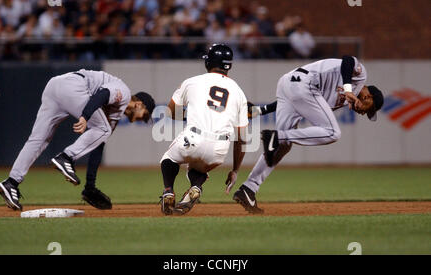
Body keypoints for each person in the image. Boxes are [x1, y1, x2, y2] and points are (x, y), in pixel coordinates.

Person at [234, 56, 384, 214]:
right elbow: (348, 61)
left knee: (283, 146)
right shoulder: (360, 77)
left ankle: (248, 188)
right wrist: (348, 90)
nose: (364, 113)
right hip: (306, 84)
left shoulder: (340, 100)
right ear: (368, 97)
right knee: (333, 132)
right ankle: (278, 136)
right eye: (369, 109)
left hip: (288, 85)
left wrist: (260, 110)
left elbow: (296, 97)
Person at [0, 69, 155, 211]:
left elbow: (97, 146)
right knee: (103, 129)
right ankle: (66, 157)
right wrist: (85, 116)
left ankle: (11, 183)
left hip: (54, 87)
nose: (141, 120)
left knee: (38, 140)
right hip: (73, 86)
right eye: (145, 115)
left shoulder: (114, 115)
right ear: (139, 104)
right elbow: (103, 95)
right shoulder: (124, 92)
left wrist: (90, 186)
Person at [160, 44, 249, 215]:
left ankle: (168, 191)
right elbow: (242, 138)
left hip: (193, 138)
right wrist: (235, 170)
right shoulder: (239, 92)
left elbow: (170, 111)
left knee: (168, 159)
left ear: (209, 61)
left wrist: (191, 114)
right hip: (220, 148)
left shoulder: (192, 81)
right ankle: (196, 187)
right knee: (198, 169)